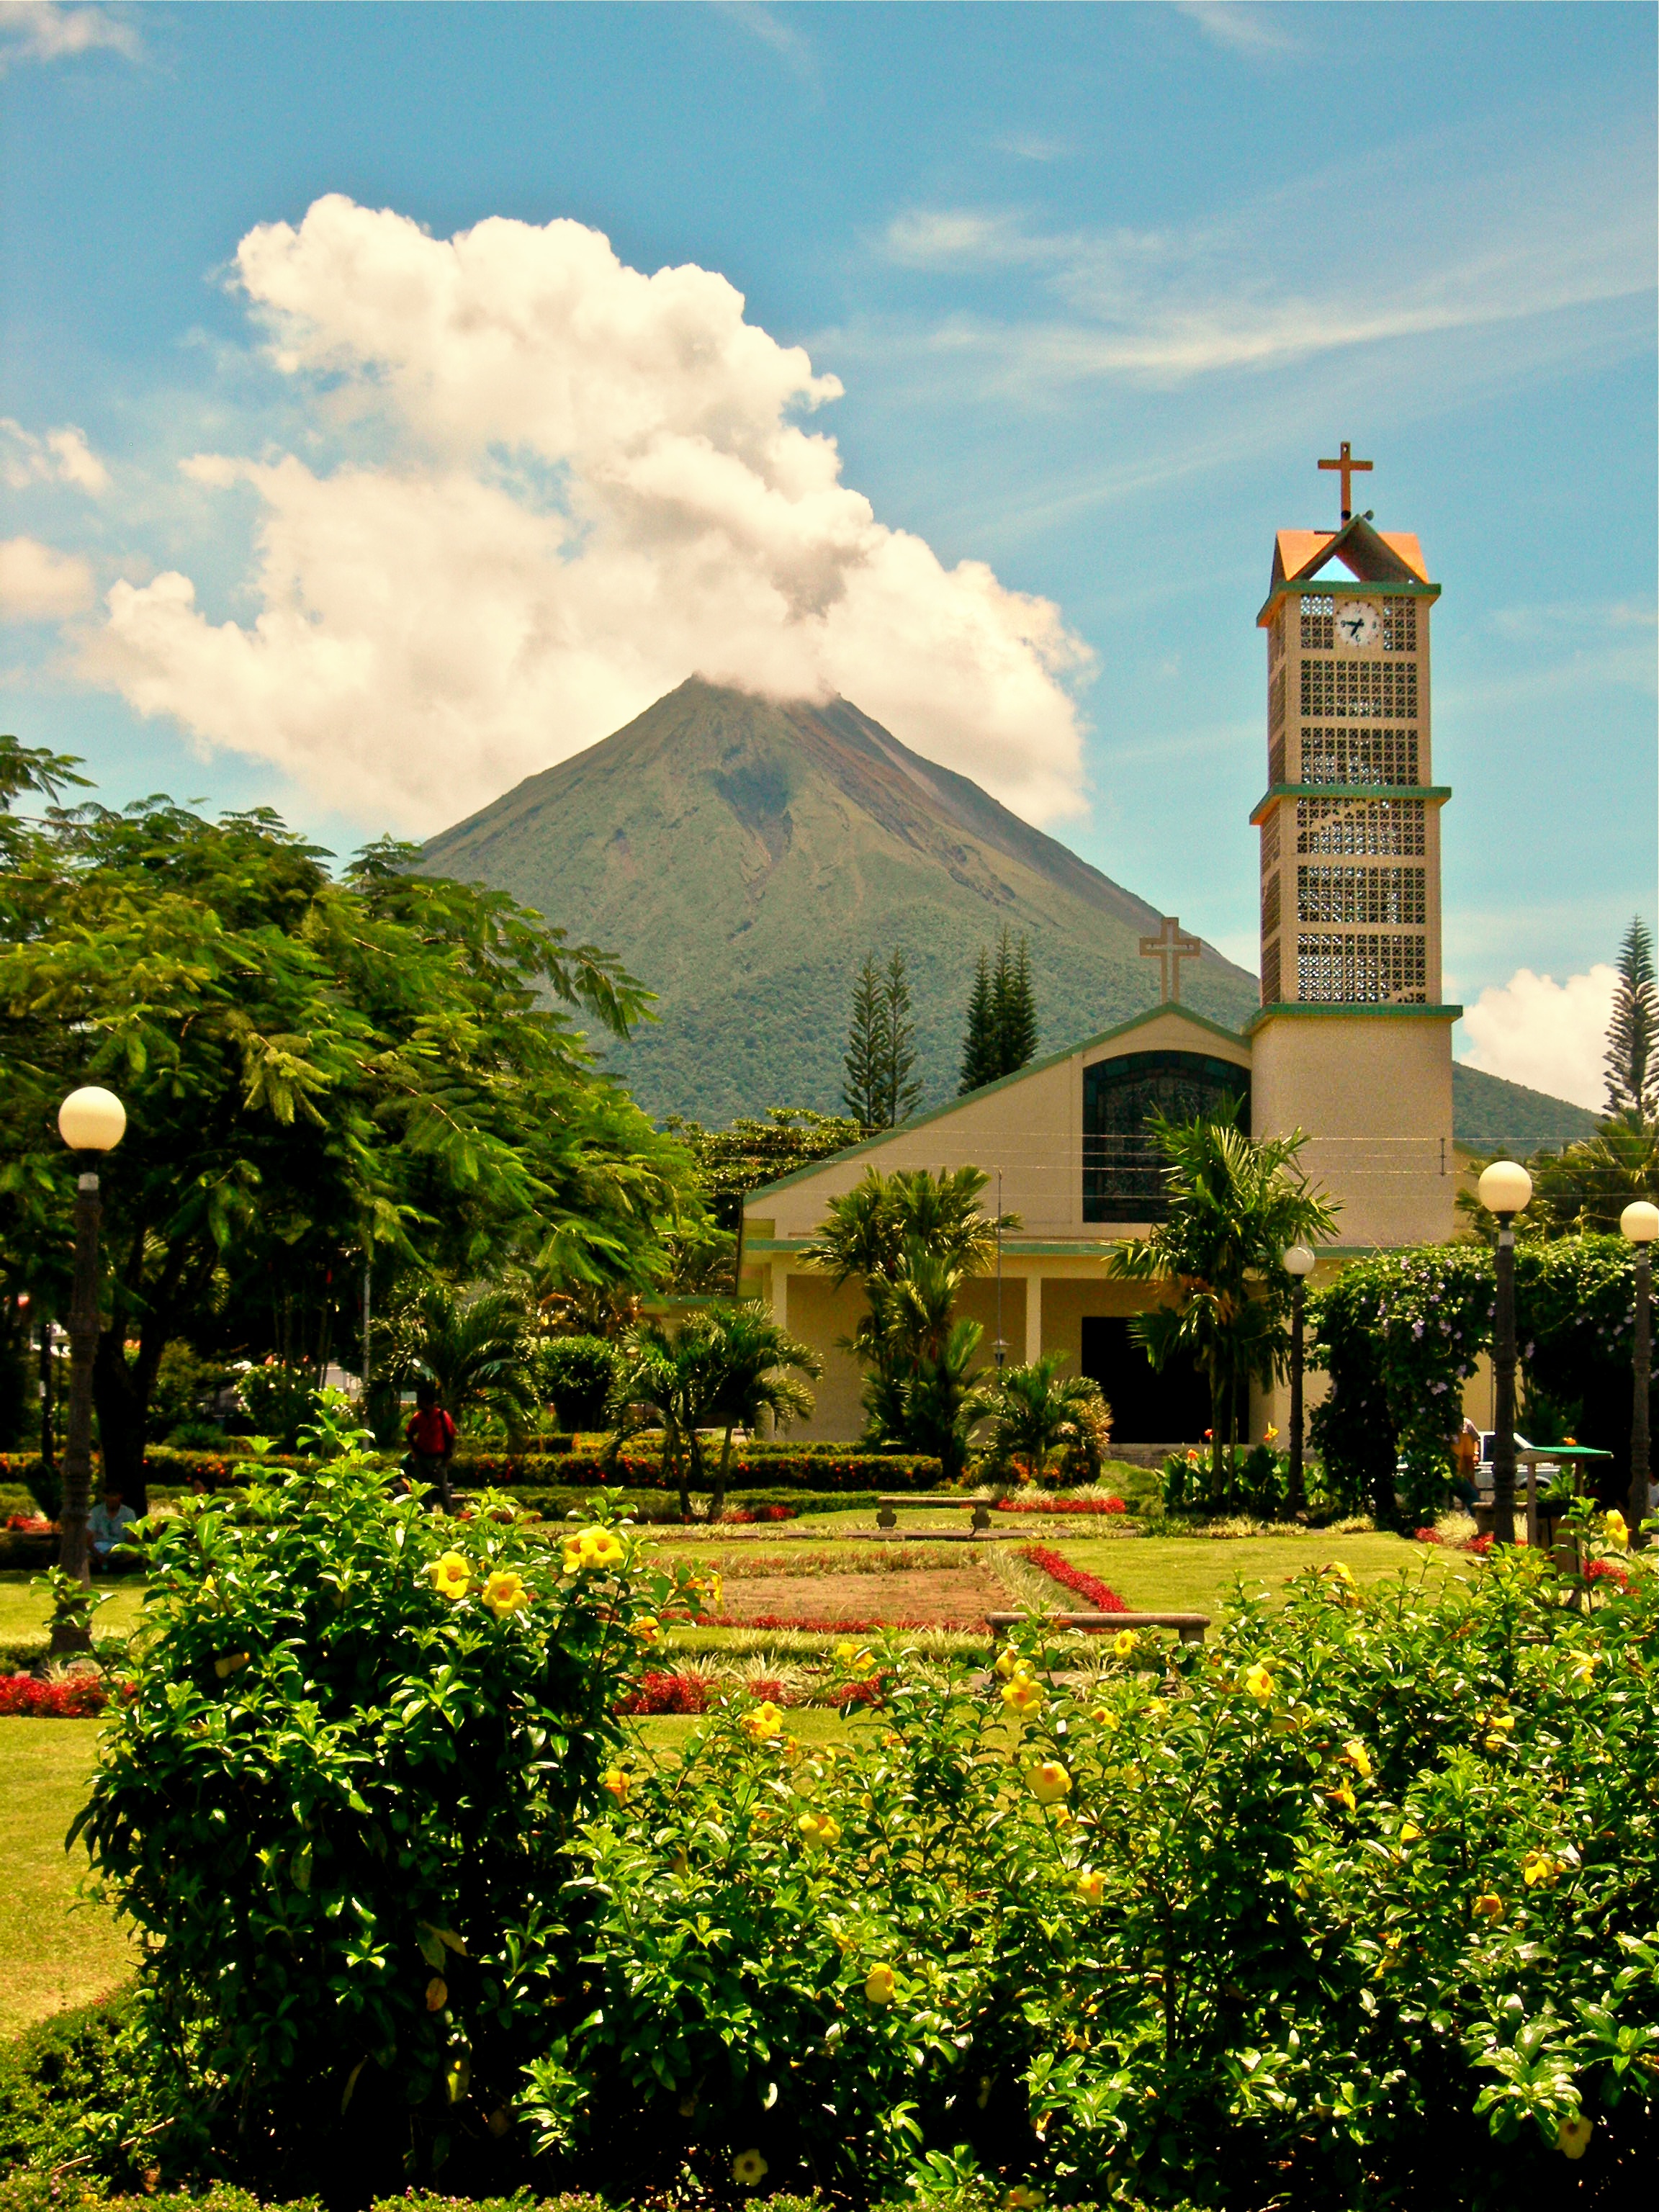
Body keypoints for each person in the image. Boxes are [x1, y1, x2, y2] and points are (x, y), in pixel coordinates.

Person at [404, 1382, 457, 1512]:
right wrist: (416, 1450)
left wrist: (446, 1458)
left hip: (438, 1459)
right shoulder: (418, 1417)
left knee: (442, 1490)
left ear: (427, 1400)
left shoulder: (441, 1416)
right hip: (422, 1458)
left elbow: (451, 1436)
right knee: (424, 1491)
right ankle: (427, 1519)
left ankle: (450, 1519)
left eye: (420, 1400)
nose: (417, 1403)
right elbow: (409, 1432)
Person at [87, 1483, 138, 1570]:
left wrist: (120, 1552)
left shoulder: (129, 1513)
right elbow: (88, 1537)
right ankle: (103, 1566)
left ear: (120, 1496)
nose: (112, 1499)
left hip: (119, 1549)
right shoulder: (95, 1512)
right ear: (104, 1496)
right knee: (85, 1557)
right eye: (109, 1495)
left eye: (114, 1495)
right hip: (98, 1549)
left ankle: (116, 1567)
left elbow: (131, 1537)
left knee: (134, 1555)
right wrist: (98, 1554)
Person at [1450, 1419, 1481, 1511]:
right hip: (1456, 1475)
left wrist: (1476, 1454)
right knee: (1473, 1498)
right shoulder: (1464, 1437)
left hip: (1438, 1475)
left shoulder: (1436, 1435)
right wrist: (1473, 1483)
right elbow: (1469, 1462)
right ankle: (1479, 1519)